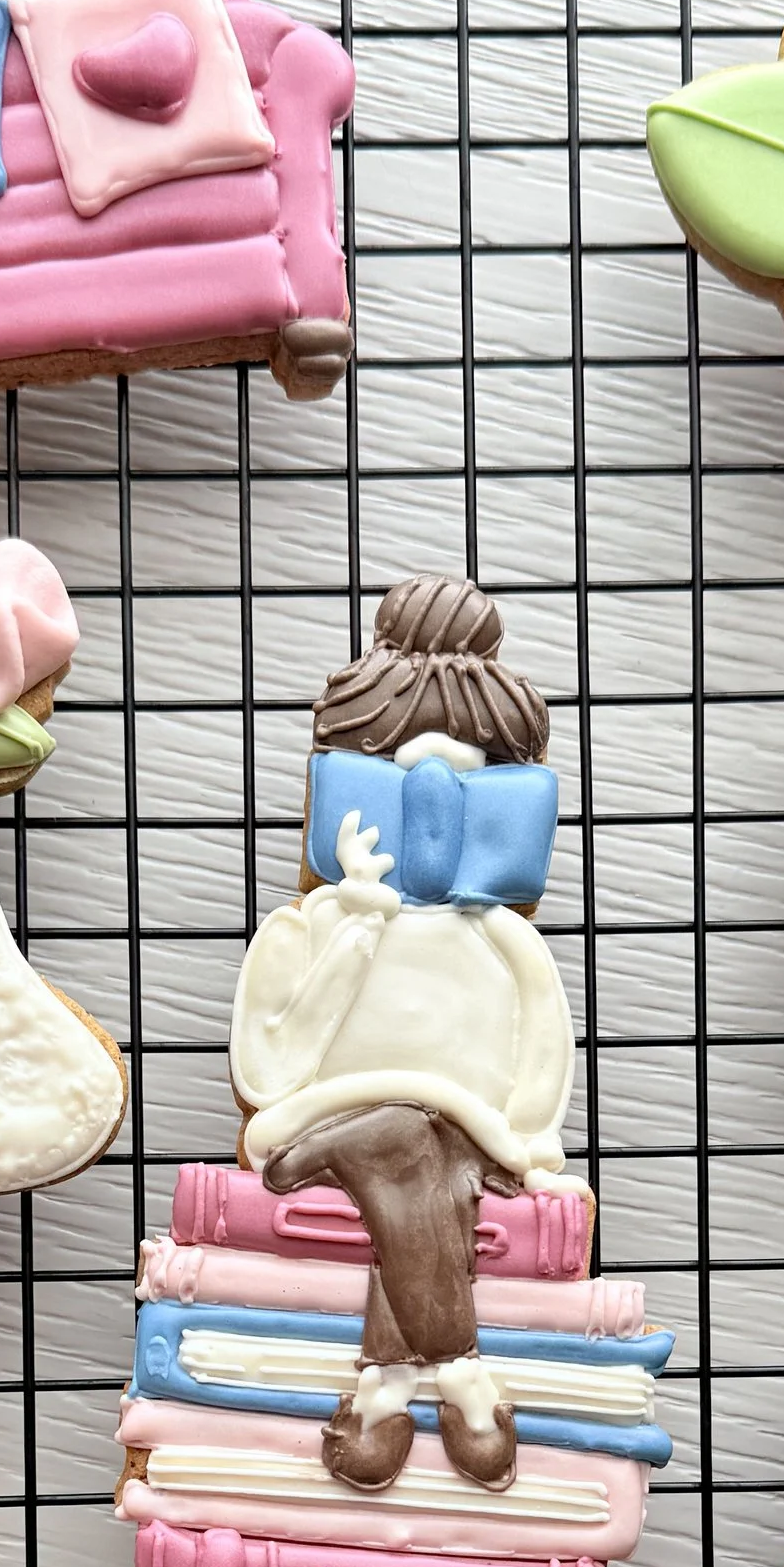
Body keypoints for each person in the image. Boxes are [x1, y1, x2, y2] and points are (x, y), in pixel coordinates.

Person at [229, 578, 574, 1493]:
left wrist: (528, 1144)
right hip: (320, 1125)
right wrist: (360, 919)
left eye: (466, 777)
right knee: (402, 1138)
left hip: (466, 1139)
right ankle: (459, 1370)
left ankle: (384, 1384)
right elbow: (272, 1067)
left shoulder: (505, 939)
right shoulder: (310, 926)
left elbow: (539, 1061)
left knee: (416, 1144)